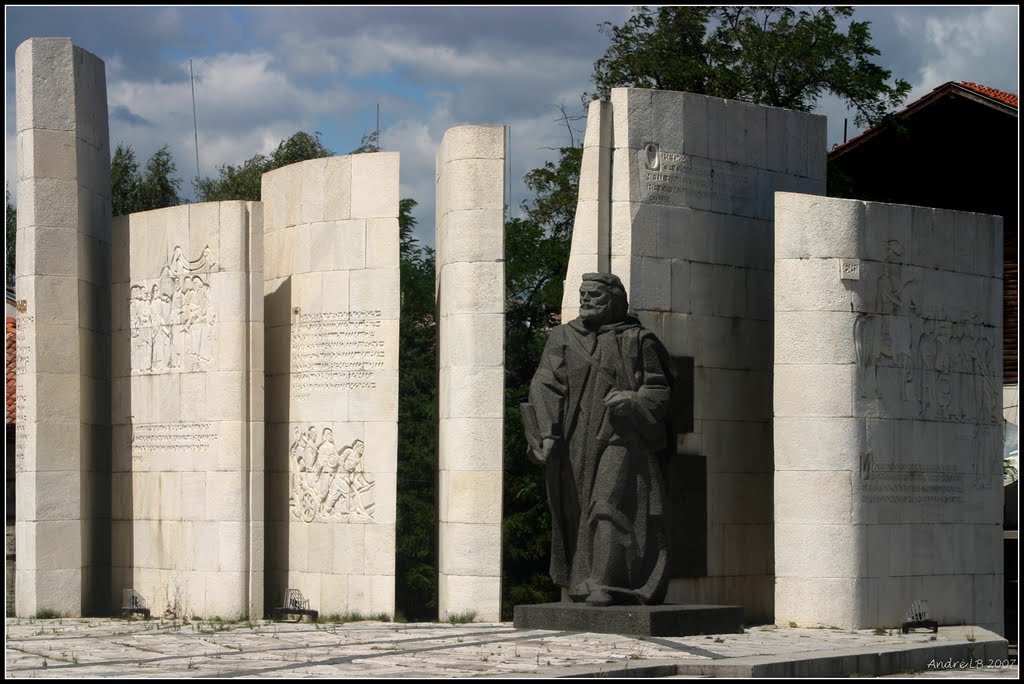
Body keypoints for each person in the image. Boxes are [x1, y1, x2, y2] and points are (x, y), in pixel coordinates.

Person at [524, 272, 673, 607]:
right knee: (578, 510)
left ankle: (604, 582)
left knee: (607, 504)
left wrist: (633, 400)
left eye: (595, 295)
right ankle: (583, 578)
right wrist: (547, 433)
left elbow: (660, 388)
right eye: (583, 294)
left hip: (621, 437)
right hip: (576, 440)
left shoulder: (638, 339)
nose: (586, 300)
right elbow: (545, 383)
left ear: (615, 300)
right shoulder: (564, 336)